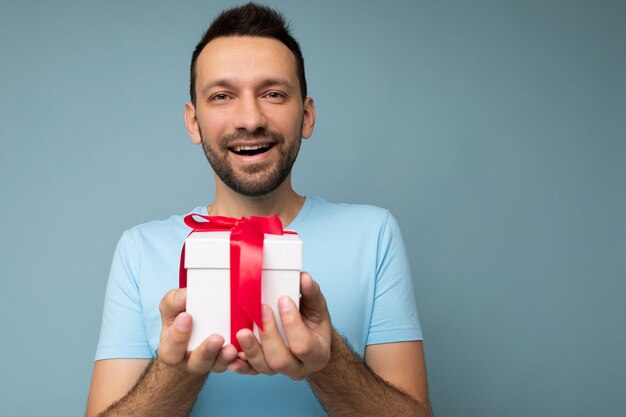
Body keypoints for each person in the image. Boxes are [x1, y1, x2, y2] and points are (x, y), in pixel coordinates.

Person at [86, 3, 430, 416]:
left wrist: (329, 360)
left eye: (273, 94)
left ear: (306, 115)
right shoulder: (140, 249)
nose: (250, 119)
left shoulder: (373, 233)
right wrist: (178, 369)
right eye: (222, 96)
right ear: (193, 123)